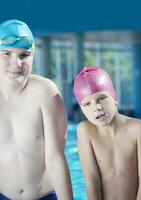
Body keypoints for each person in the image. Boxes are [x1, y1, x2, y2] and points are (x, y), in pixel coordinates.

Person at [0, 19, 73, 200]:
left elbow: (55, 159)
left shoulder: (45, 93)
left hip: (44, 196)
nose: (16, 63)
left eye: (24, 55)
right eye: (7, 53)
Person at [74, 66, 141, 200]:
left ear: (114, 97)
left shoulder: (137, 128)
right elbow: (92, 181)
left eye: (102, 98)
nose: (97, 107)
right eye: (87, 104)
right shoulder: (85, 131)